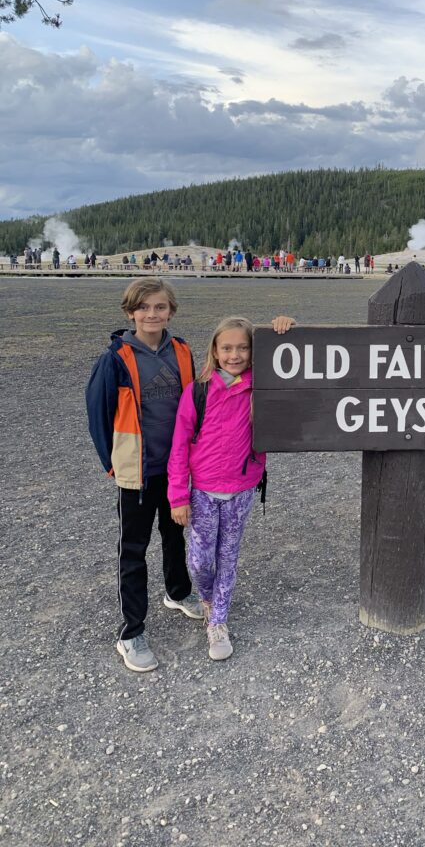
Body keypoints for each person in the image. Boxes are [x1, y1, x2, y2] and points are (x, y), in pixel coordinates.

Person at [86, 277, 204, 673]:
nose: (152, 314)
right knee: (133, 549)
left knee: (175, 534)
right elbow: (98, 415)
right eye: (144, 308)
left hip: (176, 467)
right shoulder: (115, 358)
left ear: (170, 310)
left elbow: (199, 400)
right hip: (137, 471)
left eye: (160, 307)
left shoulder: (183, 351)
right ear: (130, 312)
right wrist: (112, 462)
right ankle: (131, 632)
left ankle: (177, 592)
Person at [168, 315, 295, 661]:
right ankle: (207, 598)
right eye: (227, 347)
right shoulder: (199, 390)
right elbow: (179, 445)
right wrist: (178, 496)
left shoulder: (262, 386)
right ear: (215, 350)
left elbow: (297, 362)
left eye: (243, 347)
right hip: (203, 491)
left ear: (255, 351)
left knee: (228, 556)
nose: (235, 354)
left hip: (242, 488)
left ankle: (218, 621)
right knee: (199, 560)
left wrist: (283, 327)